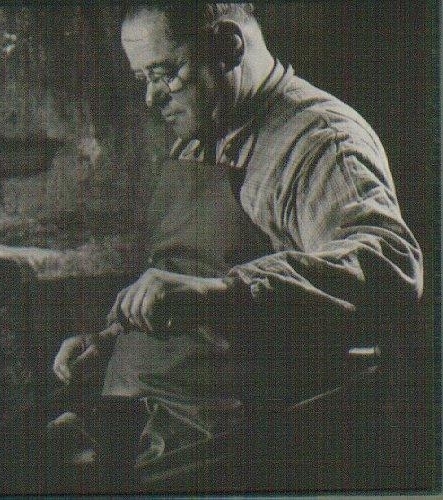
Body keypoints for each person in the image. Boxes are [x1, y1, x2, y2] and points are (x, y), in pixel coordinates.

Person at [50, 2, 424, 492]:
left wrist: (224, 293)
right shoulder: (204, 131)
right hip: (150, 416)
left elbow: (388, 264)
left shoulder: (318, 140)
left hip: (235, 442)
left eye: (164, 74)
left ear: (227, 47)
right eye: (143, 79)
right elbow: (186, 276)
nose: (151, 98)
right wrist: (112, 339)